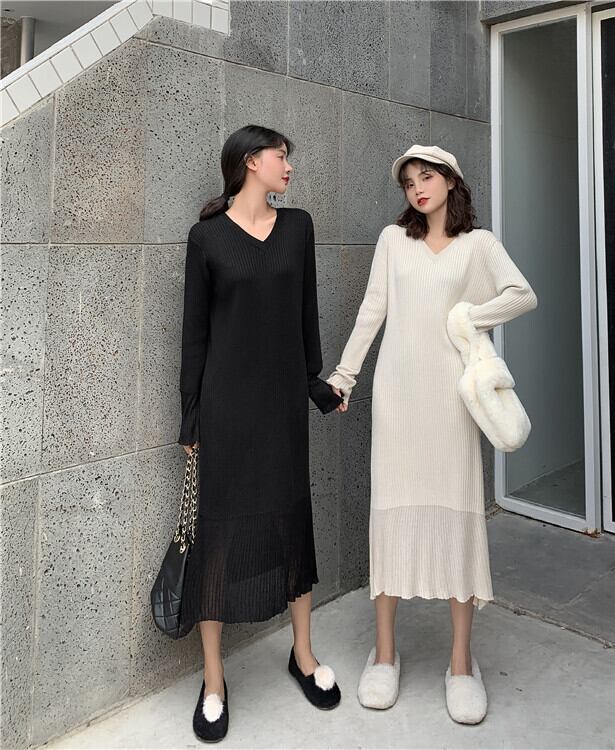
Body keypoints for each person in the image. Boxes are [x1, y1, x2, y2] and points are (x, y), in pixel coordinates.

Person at [327, 144, 537, 725]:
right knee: (391, 513)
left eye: (426, 177)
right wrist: (344, 375)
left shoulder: (479, 244)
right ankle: (384, 654)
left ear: (450, 181)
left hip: (450, 402)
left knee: (458, 513)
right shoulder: (393, 240)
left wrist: (469, 317)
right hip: (397, 397)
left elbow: (523, 294)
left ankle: (461, 664)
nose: (417, 188)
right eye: (408, 182)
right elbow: (373, 309)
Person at [177, 125, 344, 743]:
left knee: (290, 521)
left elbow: (306, 313)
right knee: (218, 538)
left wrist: (314, 384)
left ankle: (303, 654)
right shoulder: (207, 238)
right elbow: (195, 334)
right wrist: (191, 415)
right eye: (281, 157)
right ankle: (213, 680)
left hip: (281, 409)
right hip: (226, 412)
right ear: (251, 162)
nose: (289, 167)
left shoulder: (298, 227)